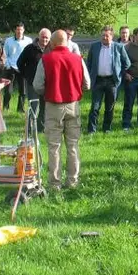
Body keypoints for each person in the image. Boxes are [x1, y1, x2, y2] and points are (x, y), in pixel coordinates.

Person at [33, 30, 91, 190]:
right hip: (73, 105)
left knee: (54, 146)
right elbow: (87, 84)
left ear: (52, 43)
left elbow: (37, 85)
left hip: (53, 106)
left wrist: (49, 90)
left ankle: (54, 184)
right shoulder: (78, 59)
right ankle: (72, 181)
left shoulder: (46, 60)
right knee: (72, 145)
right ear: (66, 41)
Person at [86, 25, 130, 134]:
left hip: (112, 81)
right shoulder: (94, 46)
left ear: (112, 36)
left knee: (109, 107)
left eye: (107, 36)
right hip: (98, 80)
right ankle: (92, 130)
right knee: (95, 106)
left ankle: (107, 128)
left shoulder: (119, 47)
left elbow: (127, 63)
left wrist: (119, 75)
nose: (104, 38)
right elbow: (89, 63)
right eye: (103, 35)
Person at [17, 28, 52, 132]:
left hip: (47, 84)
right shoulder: (30, 48)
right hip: (32, 83)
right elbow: (20, 63)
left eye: (47, 38)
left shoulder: (52, 49)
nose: (44, 39)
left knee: (44, 106)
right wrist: (27, 76)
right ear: (39, 36)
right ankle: (29, 129)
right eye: (43, 37)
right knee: (33, 106)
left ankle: (41, 128)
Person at [2, 22, 33, 112]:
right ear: (15, 30)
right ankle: (5, 107)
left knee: (23, 91)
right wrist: (7, 65)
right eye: (18, 29)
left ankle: (20, 109)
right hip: (11, 68)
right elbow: (5, 54)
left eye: (21, 29)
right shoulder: (9, 41)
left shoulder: (28, 41)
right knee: (8, 91)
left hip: (22, 68)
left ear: (23, 30)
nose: (19, 31)